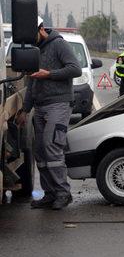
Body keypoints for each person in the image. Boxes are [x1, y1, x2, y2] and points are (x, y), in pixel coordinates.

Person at [16, 16, 81, 210]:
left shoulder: (59, 44)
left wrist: (49, 74)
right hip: (40, 105)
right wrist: (25, 110)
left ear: (41, 29)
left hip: (58, 104)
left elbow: (75, 69)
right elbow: (32, 83)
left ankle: (63, 193)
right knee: (41, 152)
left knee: (52, 147)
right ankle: (50, 193)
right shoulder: (35, 50)